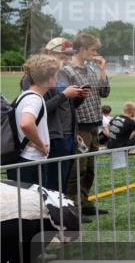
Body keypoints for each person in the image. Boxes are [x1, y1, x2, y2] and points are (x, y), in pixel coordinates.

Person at [18, 39, 89, 191]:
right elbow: (40, 109)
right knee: (51, 185)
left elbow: (67, 107)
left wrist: (78, 97)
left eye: (69, 55)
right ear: (50, 53)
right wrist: (64, 95)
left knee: (62, 182)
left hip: (67, 135)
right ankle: (53, 213)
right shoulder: (32, 77)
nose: (67, 58)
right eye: (63, 55)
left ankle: (60, 212)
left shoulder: (63, 74)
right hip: (52, 137)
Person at [61, 33, 111, 215]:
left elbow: (104, 93)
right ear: (82, 49)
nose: (95, 53)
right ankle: (73, 207)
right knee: (77, 169)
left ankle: (85, 202)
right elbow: (64, 101)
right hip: (79, 126)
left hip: (93, 124)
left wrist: (102, 70)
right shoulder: (66, 71)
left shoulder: (90, 70)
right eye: (93, 49)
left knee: (90, 168)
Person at [14, 55, 63, 188]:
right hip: (30, 161)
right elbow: (26, 123)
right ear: (48, 78)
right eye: (56, 75)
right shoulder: (34, 99)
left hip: (25, 159)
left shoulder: (26, 95)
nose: (57, 79)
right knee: (33, 204)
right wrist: (41, 145)